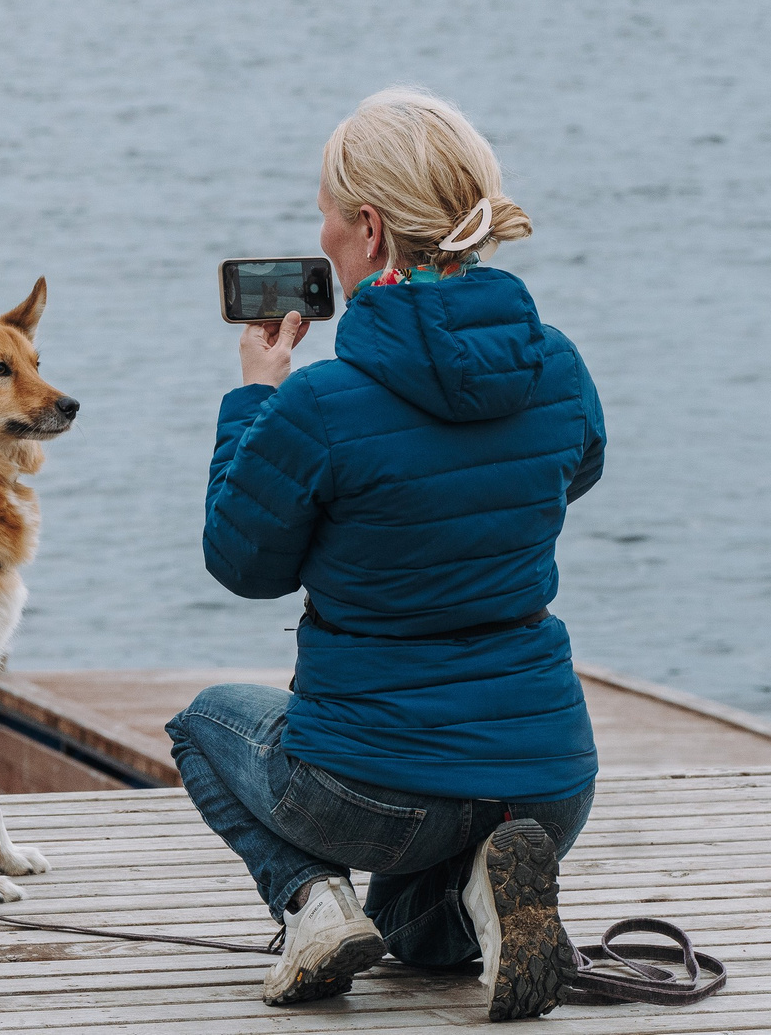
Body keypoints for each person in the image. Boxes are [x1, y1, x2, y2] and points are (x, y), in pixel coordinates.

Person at [167, 87, 605, 1020]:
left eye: (326, 210)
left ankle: (311, 905)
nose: (317, 230)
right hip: (547, 785)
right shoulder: (559, 367)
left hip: (370, 790)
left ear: (368, 231)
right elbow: (575, 471)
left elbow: (241, 564)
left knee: (205, 723)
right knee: (415, 940)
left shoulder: (318, 404)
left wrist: (255, 397)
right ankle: (489, 887)